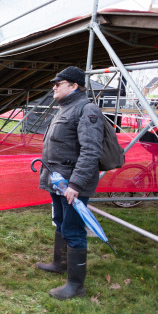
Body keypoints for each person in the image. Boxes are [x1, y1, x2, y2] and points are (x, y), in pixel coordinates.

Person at [36, 66, 104, 300]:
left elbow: (90, 151)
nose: (54, 86)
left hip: (73, 184)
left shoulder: (86, 109)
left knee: (74, 230)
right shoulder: (66, 107)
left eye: (59, 83)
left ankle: (76, 285)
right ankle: (60, 263)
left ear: (74, 86)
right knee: (61, 221)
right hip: (59, 181)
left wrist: (75, 185)